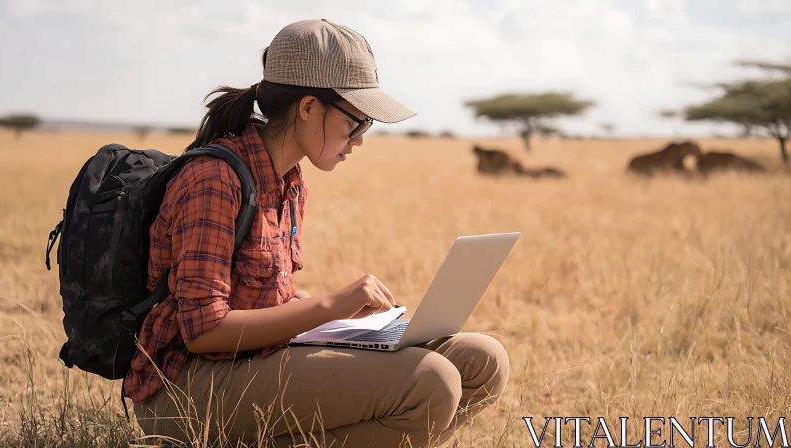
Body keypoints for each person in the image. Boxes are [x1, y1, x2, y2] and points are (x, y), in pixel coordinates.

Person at [124, 18, 510, 447]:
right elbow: (204, 331)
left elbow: (264, 297)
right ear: (308, 107)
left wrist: (349, 321)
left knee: (483, 360)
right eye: (356, 122)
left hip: (256, 361)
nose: (360, 139)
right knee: (431, 382)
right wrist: (330, 305)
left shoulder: (289, 180)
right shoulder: (214, 180)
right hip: (186, 391)